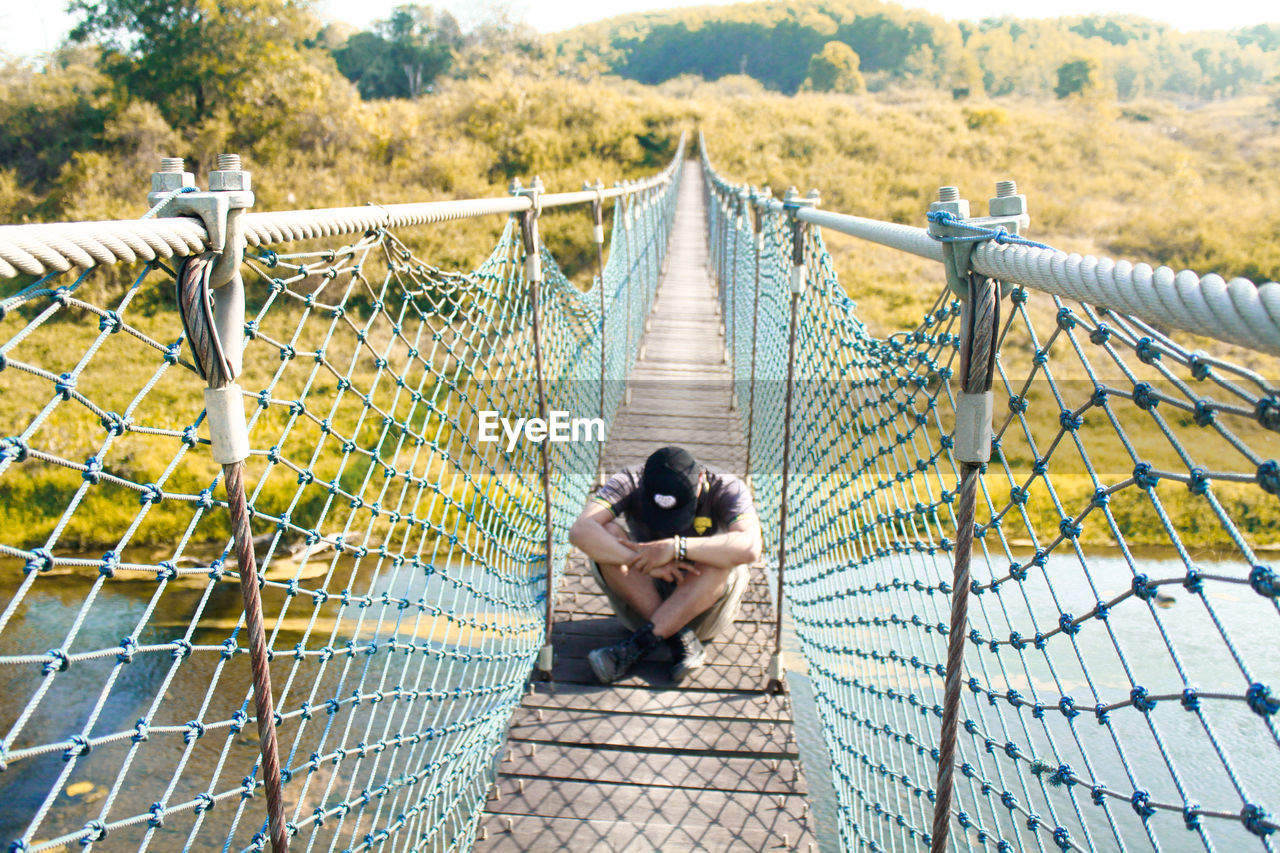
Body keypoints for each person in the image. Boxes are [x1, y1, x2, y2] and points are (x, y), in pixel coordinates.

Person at [568, 446, 762, 684]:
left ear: (700, 479)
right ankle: (679, 637)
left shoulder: (727, 486)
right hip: (644, 601)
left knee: (724, 555)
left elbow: (751, 547)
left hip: (705, 609)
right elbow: (580, 531)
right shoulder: (629, 479)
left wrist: (675, 547)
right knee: (606, 535)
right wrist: (639, 561)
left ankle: (639, 644)